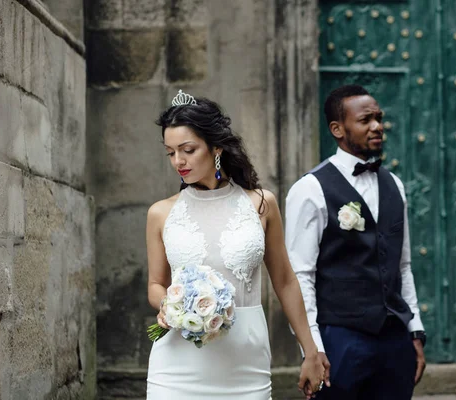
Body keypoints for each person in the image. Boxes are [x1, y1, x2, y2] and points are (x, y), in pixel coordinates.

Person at [146, 90, 324, 399]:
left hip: (245, 363)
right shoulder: (161, 213)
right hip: (176, 363)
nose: (178, 161)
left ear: (216, 148)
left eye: (188, 149)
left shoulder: (261, 204)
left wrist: (310, 350)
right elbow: (155, 284)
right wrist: (168, 306)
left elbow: (284, 281)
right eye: (170, 152)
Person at [285, 85, 427, 400]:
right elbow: (300, 276)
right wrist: (312, 348)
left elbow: (402, 265)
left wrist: (415, 333)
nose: (377, 126)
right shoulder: (310, 189)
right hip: (340, 340)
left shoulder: (395, 185)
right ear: (337, 129)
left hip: (394, 341)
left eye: (379, 118)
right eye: (366, 120)